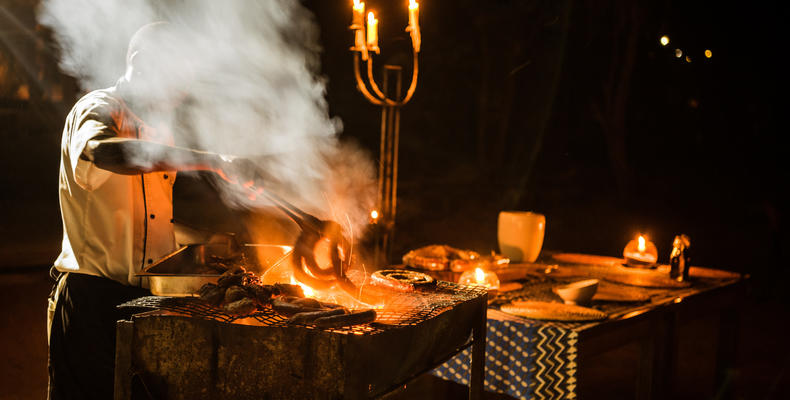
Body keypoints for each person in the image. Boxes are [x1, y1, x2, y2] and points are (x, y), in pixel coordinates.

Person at [47, 22, 259, 400]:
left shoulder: (160, 132)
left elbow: (151, 221)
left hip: (148, 304)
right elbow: (103, 151)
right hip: (93, 302)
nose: (176, 97)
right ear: (141, 64)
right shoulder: (97, 110)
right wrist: (214, 161)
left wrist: (206, 242)